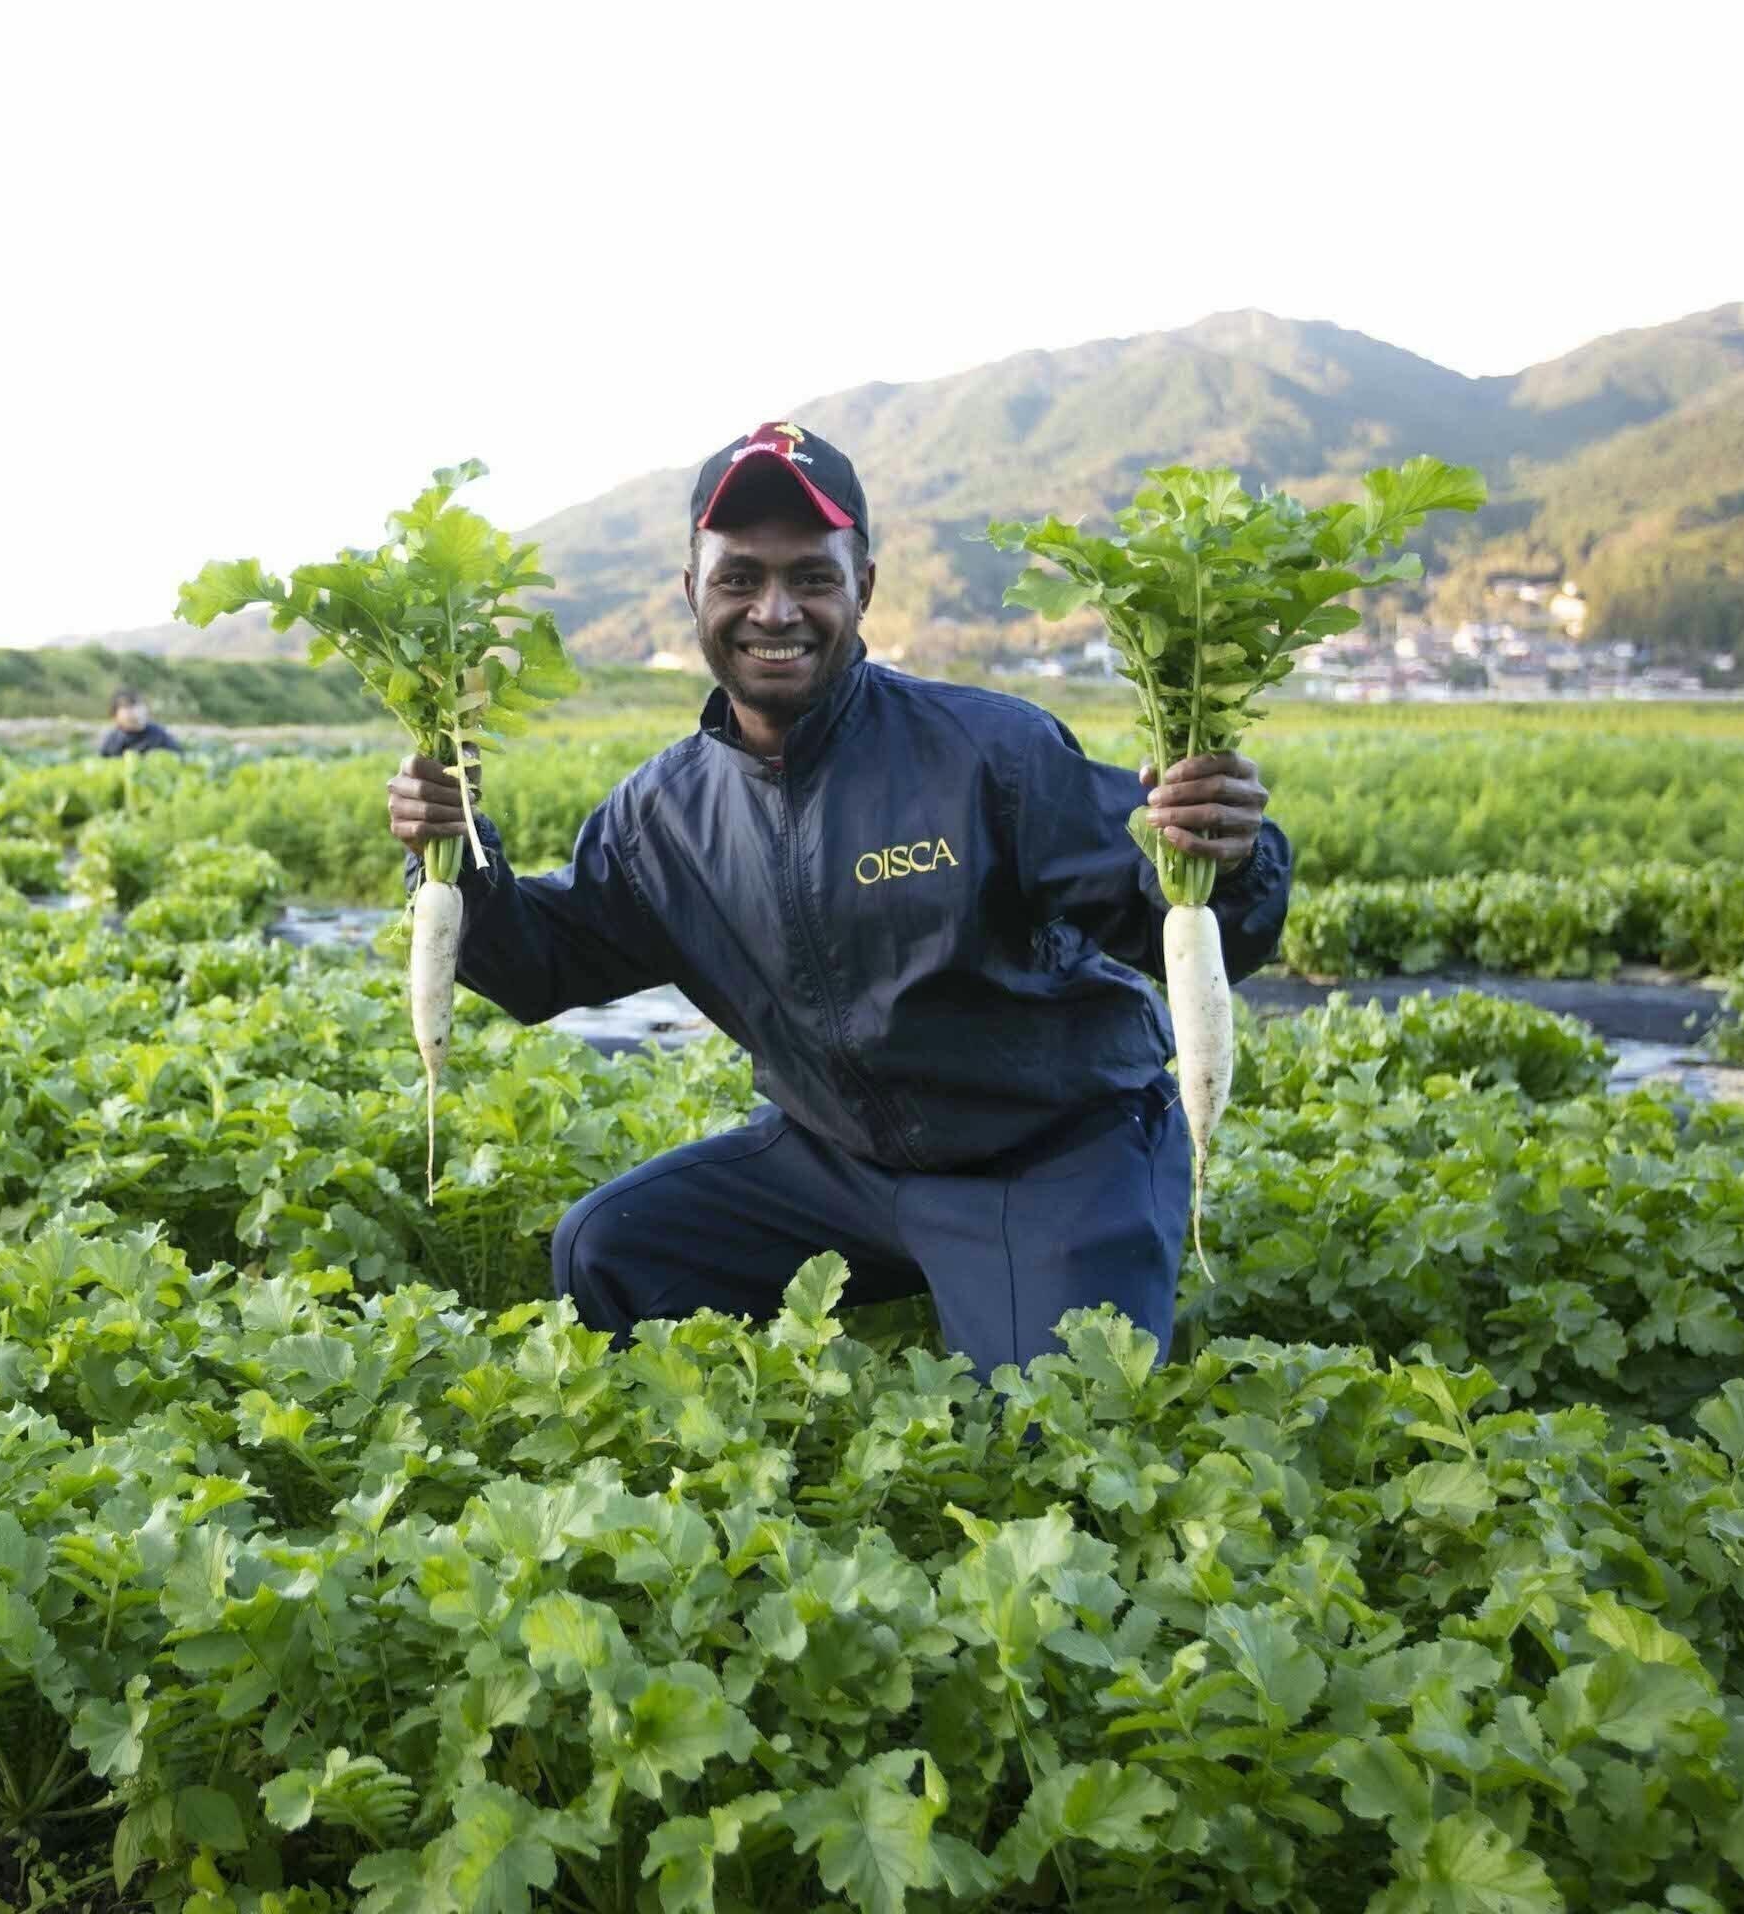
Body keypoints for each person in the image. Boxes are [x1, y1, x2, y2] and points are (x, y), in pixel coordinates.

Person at [385, 419, 1289, 1373]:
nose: (774, 611)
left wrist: (1227, 858)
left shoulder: (991, 751)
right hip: (842, 1166)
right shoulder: (662, 816)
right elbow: (538, 964)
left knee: (1053, 1429)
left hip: (1051, 1159)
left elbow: (1179, 921)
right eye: (740, 577)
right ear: (694, 591)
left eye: (811, 577)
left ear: (862, 587)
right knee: (607, 1250)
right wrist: (456, 858)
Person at [96, 688, 180, 757]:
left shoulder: (160, 736)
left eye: (137, 705)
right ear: (115, 716)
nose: (134, 711)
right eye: (127, 707)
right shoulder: (112, 740)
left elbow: (178, 759)